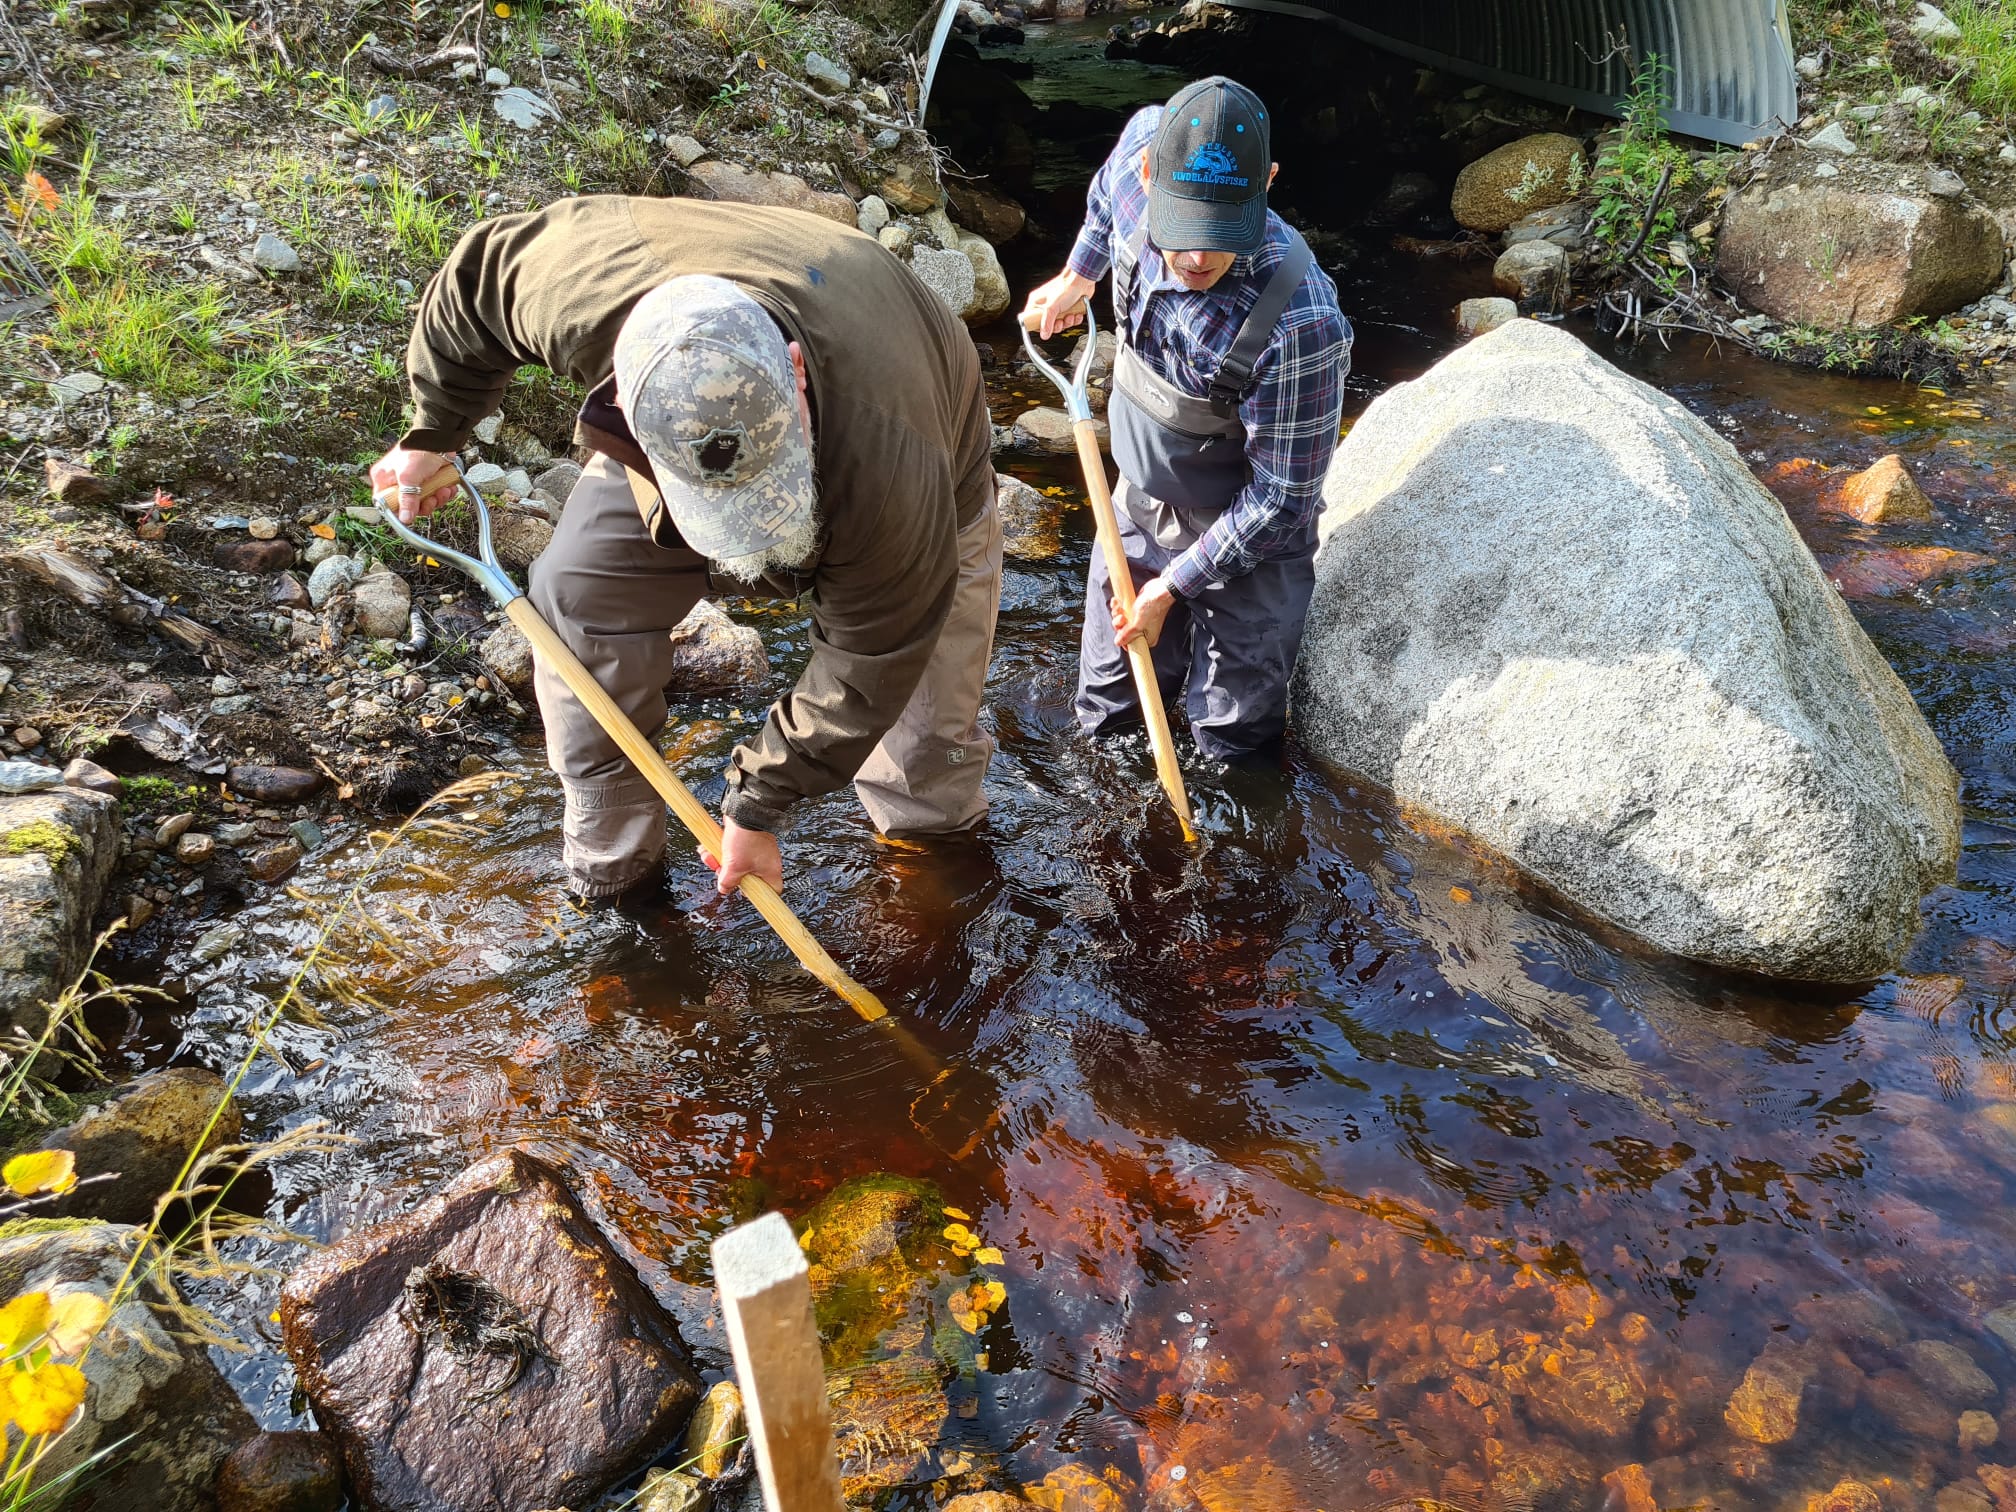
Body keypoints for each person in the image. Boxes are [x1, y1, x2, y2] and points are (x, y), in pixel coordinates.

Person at [368, 197, 1002, 902]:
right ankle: (618, 878)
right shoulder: (578, 287)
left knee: (925, 741)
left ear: (793, 373)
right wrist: (434, 433)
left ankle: (931, 878)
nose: (749, 549)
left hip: (905, 416)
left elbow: (868, 664)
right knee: (576, 599)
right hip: (677, 442)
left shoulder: (895, 461)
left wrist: (755, 804)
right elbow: (474, 285)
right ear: (622, 401)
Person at [1021, 76, 1350, 764]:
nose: (1198, 258)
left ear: (1269, 182)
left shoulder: (1300, 324)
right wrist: (1078, 275)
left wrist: (1173, 587)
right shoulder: (1139, 162)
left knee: (1229, 745)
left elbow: (1282, 500)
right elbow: (1118, 167)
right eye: (1183, 231)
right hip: (1139, 508)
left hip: (1250, 540)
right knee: (1106, 717)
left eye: (1220, 231)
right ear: (1151, 175)